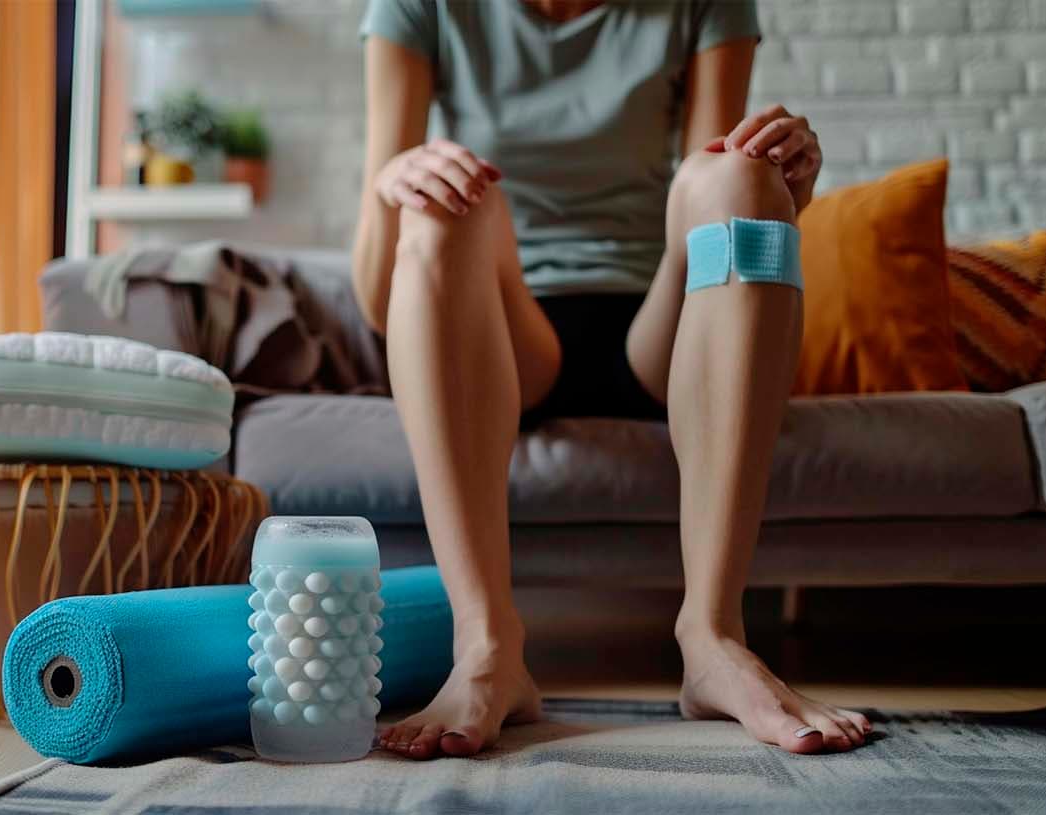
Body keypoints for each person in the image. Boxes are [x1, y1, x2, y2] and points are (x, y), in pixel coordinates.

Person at [351, 0, 873, 760]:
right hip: (502, 328)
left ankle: (714, 638)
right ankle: (487, 649)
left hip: (658, 328)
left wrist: (780, 186)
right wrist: (392, 185)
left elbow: (714, 175)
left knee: (744, 181)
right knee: (436, 212)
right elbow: (374, 297)